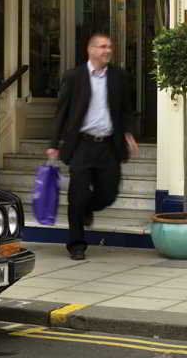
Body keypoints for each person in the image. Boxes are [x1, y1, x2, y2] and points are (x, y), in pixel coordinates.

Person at [46, 33, 139, 261]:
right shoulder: (74, 77)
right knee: (77, 196)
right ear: (90, 50)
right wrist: (54, 144)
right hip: (82, 145)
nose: (107, 50)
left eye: (109, 46)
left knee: (108, 194)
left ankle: (88, 208)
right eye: (102, 46)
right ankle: (76, 244)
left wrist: (129, 133)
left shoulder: (119, 77)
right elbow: (62, 112)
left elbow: (126, 109)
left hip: (108, 145)